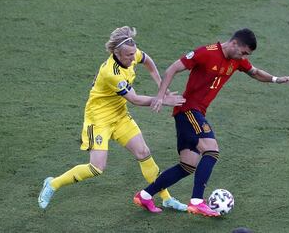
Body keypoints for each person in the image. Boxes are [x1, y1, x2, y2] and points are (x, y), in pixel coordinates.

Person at [133, 28, 289, 216]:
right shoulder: (206, 53)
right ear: (234, 43)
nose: (244, 57)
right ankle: (197, 201)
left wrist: (277, 79)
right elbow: (172, 69)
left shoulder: (237, 60)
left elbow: (255, 72)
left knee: (187, 165)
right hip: (188, 110)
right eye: (243, 52)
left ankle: (145, 195)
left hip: (193, 113)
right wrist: (160, 97)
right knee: (211, 150)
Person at [38, 26, 187, 211]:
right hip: (98, 120)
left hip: (120, 116)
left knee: (143, 153)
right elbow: (135, 99)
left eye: (134, 54)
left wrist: (160, 88)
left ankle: (166, 198)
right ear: (117, 53)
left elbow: (147, 60)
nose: (133, 58)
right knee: (96, 168)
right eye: (128, 56)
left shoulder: (131, 52)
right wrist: (163, 100)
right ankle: (53, 184)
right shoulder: (111, 73)